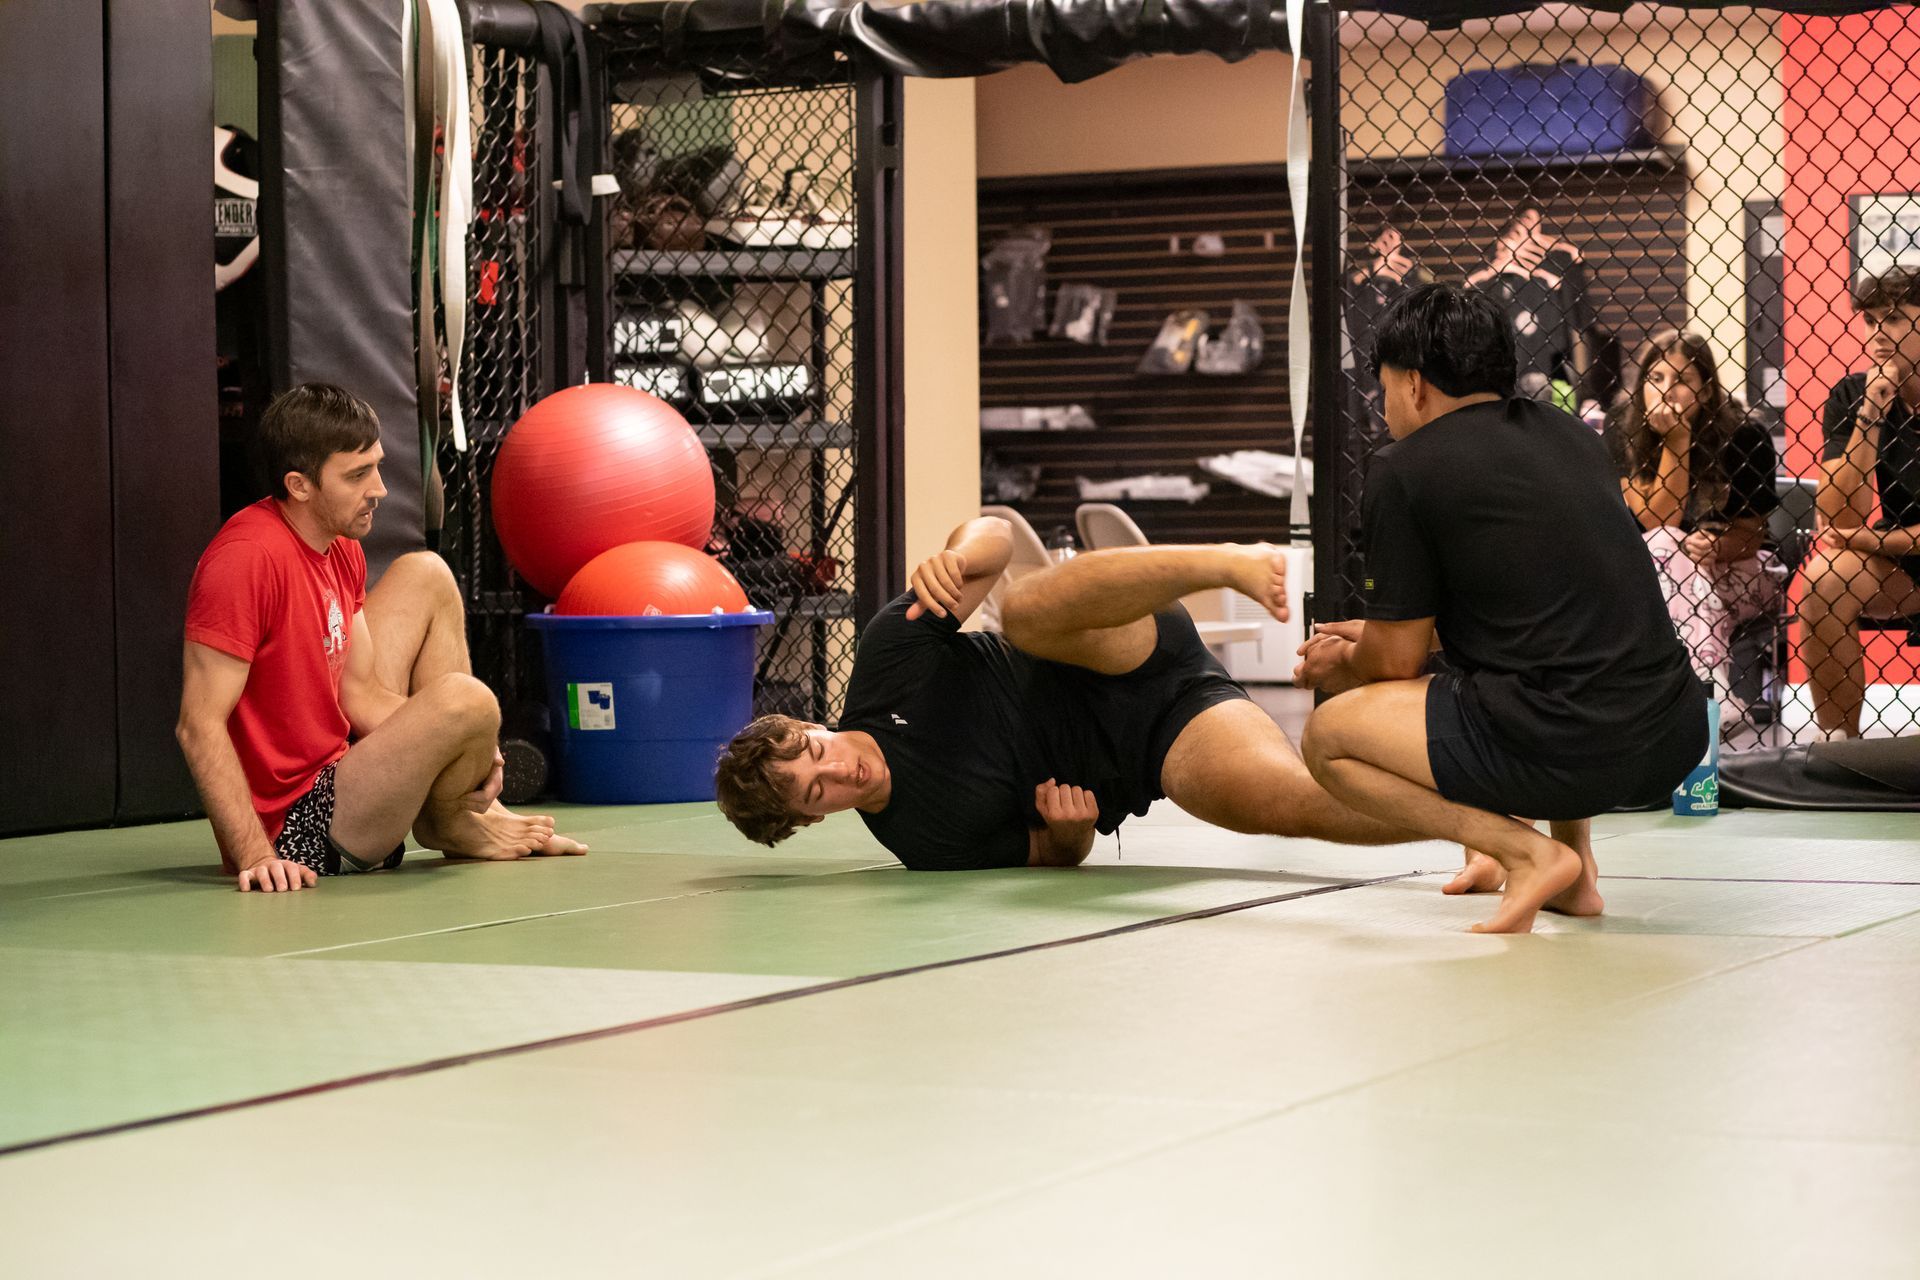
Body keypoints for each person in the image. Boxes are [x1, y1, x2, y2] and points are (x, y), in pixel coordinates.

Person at [1294, 284, 1706, 934]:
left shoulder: (1405, 467)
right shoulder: (1569, 435)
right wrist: (1375, 635)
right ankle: (1578, 867)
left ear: (1415, 385)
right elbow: (1534, 622)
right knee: (1548, 659)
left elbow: (1396, 661)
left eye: (1386, 386)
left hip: (1576, 742)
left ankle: (1527, 853)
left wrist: (1345, 659)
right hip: (1673, 734)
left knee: (1328, 739)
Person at [713, 521, 1424, 870]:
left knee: (1021, 613)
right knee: (1285, 803)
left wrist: (957, 552)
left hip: (1111, 648)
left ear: (807, 720)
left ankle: (1224, 564)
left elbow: (993, 541)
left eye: (815, 751)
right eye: (815, 793)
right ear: (812, 822)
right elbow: (1053, 857)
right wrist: (1073, 832)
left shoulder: (884, 662)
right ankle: (1468, 825)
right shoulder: (921, 842)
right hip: (1162, 740)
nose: (837, 771)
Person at [177, 383, 586, 892]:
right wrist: (256, 854)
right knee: (467, 699)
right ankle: (453, 819)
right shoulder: (243, 559)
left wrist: (471, 748)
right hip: (295, 827)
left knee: (426, 574)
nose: (380, 488)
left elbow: (361, 695)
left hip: (341, 765)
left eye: (376, 465)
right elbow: (198, 725)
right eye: (356, 475)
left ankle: (465, 813)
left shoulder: (340, 542)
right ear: (299, 485)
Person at [1607, 327, 1784, 691]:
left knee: (1684, 573)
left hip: (1740, 567)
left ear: (1705, 390)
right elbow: (1657, 522)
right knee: (1666, 547)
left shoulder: (1745, 434)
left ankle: (1694, 694)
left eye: (1682, 379)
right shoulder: (1623, 428)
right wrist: (1677, 441)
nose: (1666, 389)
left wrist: (1718, 547)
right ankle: (1708, 695)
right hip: (1655, 570)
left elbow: (1753, 535)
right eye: (1655, 377)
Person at [1800, 265, 1920, 738]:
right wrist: (1870, 416)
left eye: (1893, 319)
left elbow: (1852, 532)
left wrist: (1869, 539)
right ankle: (1839, 751)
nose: (1877, 334)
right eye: (1870, 322)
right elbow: (1836, 518)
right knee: (1826, 579)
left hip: (1886, 543)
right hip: (1900, 560)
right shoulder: (1853, 394)